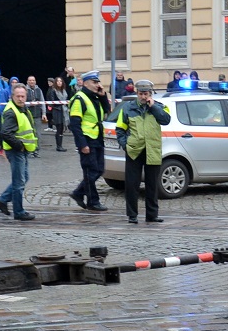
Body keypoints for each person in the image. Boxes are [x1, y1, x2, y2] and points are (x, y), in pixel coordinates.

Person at [116, 79, 171, 224]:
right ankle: (132, 215)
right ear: (136, 93)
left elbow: (166, 120)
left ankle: (152, 215)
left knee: (152, 185)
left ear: (150, 94)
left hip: (152, 150)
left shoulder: (160, 107)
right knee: (132, 185)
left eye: (146, 94)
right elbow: (120, 129)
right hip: (134, 151)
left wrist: (154, 107)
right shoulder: (127, 108)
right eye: (140, 93)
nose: (143, 97)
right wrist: (125, 145)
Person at [0, 83, 38, 221]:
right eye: (18, 96)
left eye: (23, 96)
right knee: (19, 182)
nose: (20, 98)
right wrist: (19, 146)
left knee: (24, 178)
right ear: (12, 96)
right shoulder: (11, 111)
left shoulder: (23, 109)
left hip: (22, 150)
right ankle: (19, 211)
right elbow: (5, 133)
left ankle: (3, 199)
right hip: (16, 150)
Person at [67, 70, 110, 212]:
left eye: (98, 82)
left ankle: (79, 193)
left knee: (99, 170)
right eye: (95, 82)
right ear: (85, 83)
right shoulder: (80, 98)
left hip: (97, 137)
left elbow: (107, 110)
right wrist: (82, 144)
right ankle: (93, 201)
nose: (98, 84)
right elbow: (75, 124)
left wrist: (103, 96)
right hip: (87, 139)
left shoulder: (95, 96)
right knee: (90, 171)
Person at [46, 76, 69, 152]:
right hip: (57, 111)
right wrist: (60, 104)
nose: (59, 82)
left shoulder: (64, 91)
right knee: (59, 128)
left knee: (61, 128)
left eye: (61, 81)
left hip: (64, 111)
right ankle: (59, 146)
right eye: (58, 81)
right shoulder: (53, 91)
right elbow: (53, 102)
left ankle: (60, 145)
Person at [24, 76, 46, 157]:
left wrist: (44, 113)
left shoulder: (39, 90)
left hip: (37, 115)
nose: (31, 82)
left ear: (35, 81)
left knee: (37, 134)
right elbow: (22, 103)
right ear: (27, 81)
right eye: (30, 80)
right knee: (29, 133)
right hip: (27, 115)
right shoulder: (25, 91)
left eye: (33, 80)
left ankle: (36, 150)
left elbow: (42, 102)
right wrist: (30, 104)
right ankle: (29, 150)